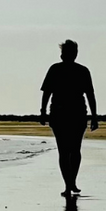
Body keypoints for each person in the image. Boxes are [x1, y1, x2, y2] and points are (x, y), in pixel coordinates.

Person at [39, 39, 98, 197]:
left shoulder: (82, 71)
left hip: (76, 114)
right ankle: (68, 184)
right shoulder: (55, 69)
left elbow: (90, 94)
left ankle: (71, 182)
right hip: (60, 115)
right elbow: (46, 92)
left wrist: (94, 116)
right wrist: (43, 112)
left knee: (73, 150)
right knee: (66, 151)